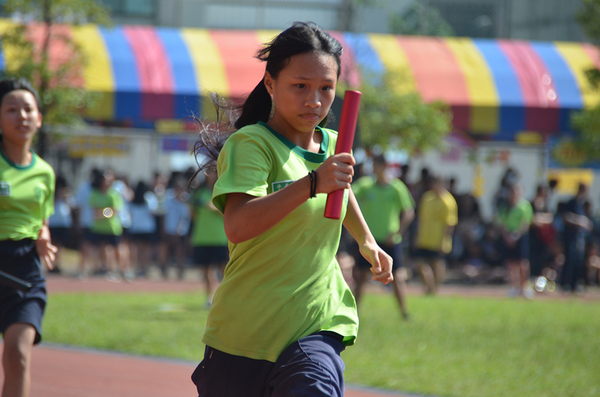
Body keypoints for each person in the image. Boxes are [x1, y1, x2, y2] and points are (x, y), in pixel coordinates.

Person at [190, 22, 393, 397]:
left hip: (315, 324)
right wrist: (312, 183)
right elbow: (237, 225)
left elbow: (342, 192)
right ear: (270, 83)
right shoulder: (252, 144)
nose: (314, 101)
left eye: (326, 89)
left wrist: (367, 242)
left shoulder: (333, 144)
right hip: (244, 334)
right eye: (300, 86)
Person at [0, 78, 56, 397]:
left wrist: (43, 235)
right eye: (11, 109)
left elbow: (41, 220)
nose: (21, 116)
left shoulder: (45, 172)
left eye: (28, 109)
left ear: (38, 118)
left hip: (25, 271)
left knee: (17, 356)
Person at [352, 154, 414, 319]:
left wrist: (397, 233)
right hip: (369, 242)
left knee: (397, 277)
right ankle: (353, 312)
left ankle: (404, 313)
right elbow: (348, 193)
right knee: (361, 276)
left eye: (376, 166)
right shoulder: (366, 185)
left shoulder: (396, 187)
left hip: (390, 241)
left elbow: (408, 212)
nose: (373, 169)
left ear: (384, 166)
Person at [189, 168, 228, 307]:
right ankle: (209, 299)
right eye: (208, 172)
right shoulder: (198, 193)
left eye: (214, 172)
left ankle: (225, 299)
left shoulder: (223, 190)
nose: (211, 175)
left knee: (225, 271)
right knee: (206, 271)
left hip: (220, 237)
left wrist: (213, 208)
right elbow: (193, 215)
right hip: (202, 236)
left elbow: (229, 213)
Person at [414, 175, 458, 295]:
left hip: (439, 239)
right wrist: (417, 236)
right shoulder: (427, 198)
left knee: (438, 265)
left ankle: (434, 290)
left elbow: (450, 224)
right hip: (425, 238)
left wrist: (445, 240)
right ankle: (429, 286)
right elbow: (421, 218)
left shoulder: (448, 202)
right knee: (420, 264)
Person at [496, 184, 534, 298]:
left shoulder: (525, 206)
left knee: (523, 262)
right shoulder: (505, 206)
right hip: (508, 237)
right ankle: (514, 286)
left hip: (520, 236)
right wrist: (507, 236)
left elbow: (526, 222)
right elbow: (501, 223)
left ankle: (524, 286)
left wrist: (516, 235)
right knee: (511, 263)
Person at [560, 183, 593, 293]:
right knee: (570, 260)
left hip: (579, 237)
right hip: (571, 236)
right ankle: (565, 284)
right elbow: (565, 217)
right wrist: (579, 221)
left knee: (578, 261)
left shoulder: (581, 205)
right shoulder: (571, 203)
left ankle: (575, 284)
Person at [158, 176, 191, 280]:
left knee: (180, 252)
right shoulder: (168, 199)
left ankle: (180, 272)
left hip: (180, 232)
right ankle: (164, 271)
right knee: (165, 251)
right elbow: (164, 214)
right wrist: (163, 228)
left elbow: (186, 218)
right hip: (168, 230)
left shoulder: (186, 202)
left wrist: (180, 230)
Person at [127, 180, 158, 278]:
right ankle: (145, 268)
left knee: (137, 250)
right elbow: (154, 212)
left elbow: (129, 213)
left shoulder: (133, 198)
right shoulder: (149, 197)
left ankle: (138, 268)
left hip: (136, 228)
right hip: (147, 228)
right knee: (146, 250)